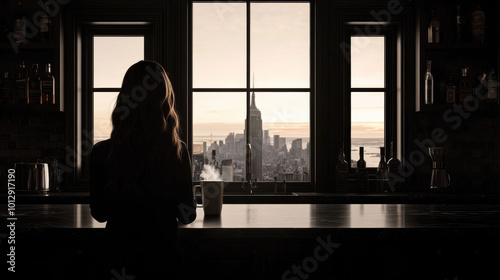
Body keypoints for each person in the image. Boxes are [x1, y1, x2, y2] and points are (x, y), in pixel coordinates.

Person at [89, 60, 197, 280]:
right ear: (165, 102)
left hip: (119, 262)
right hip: (163, 263)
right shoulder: (177, 152)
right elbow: (187, 215)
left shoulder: (102, 152)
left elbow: (99, 214)